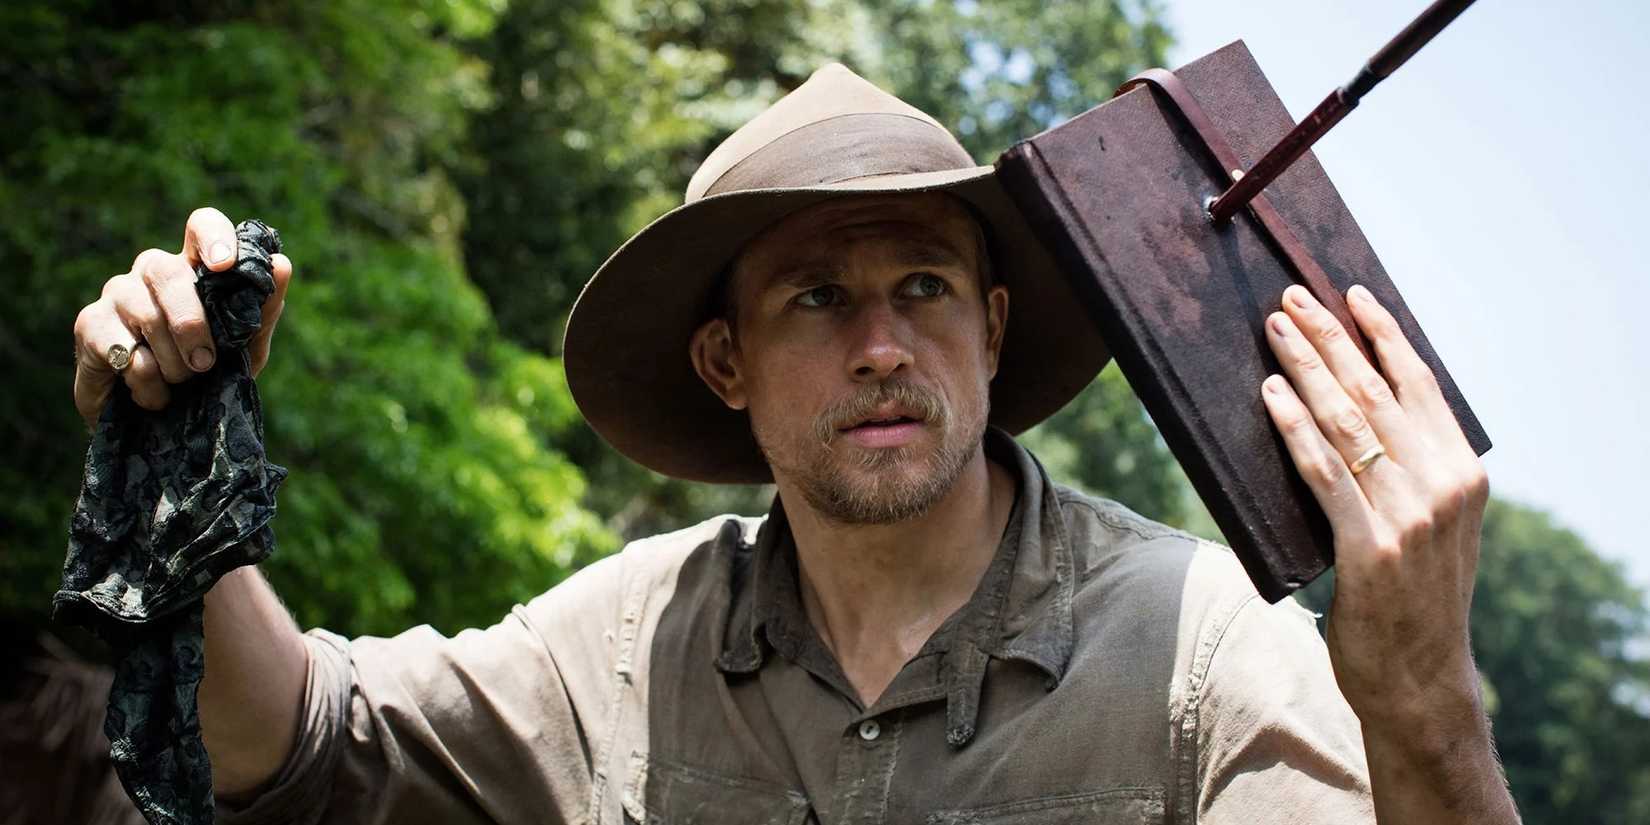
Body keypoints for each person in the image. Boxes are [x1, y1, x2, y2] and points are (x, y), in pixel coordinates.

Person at [69, 64, 1519, 824]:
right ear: (725, 364)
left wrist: (1426, 705)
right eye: (816, 298)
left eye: (923, 288)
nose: (880, 343)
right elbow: (297, 748)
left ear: (993, 329)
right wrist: (176, 454)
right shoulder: (627, 642)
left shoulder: (1201, 640)